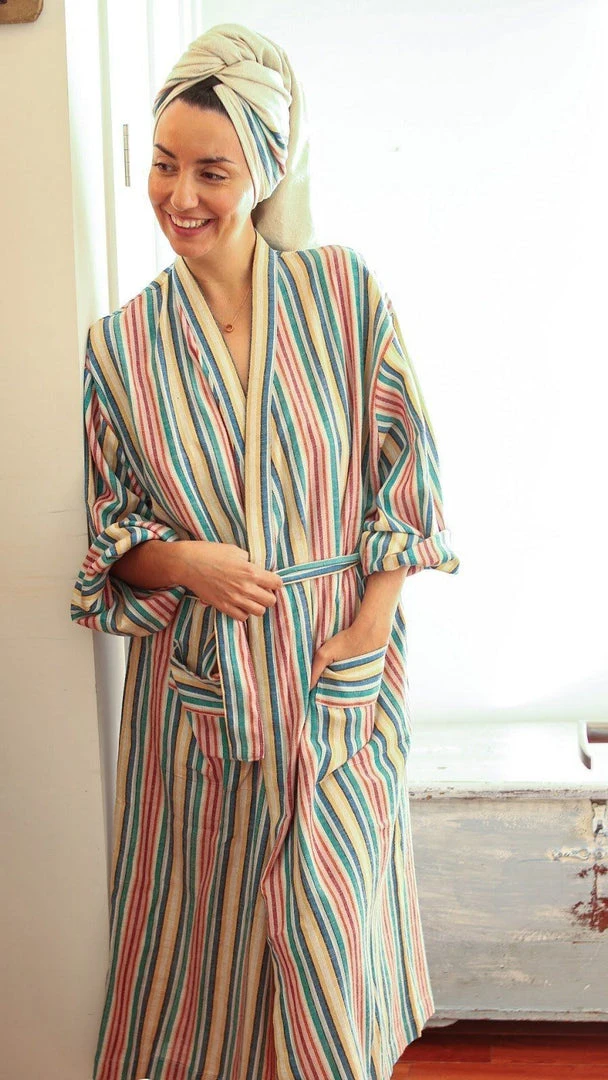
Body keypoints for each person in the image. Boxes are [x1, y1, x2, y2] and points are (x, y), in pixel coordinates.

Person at [71, 22, 460, 1080]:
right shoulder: (121, 346)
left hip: (335, 675)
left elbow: (405, 472)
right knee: (207, 966)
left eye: (212, 171)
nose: (179, 196)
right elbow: (111, 537)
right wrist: (187, 562)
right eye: (164, 164)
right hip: (200, 695)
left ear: (267, 172)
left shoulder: (342, 294)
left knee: (330, 954)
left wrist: (368, 629)